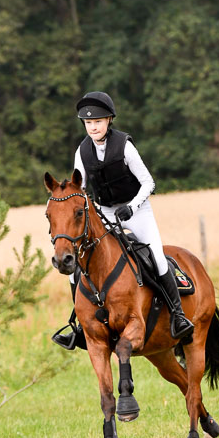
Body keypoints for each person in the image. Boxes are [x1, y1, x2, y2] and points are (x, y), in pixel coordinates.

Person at [53, 91, 194, 349]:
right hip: (105, 211)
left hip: (136, 210)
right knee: (79, 267)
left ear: (109, 121)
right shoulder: (82, 151)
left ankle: (178, 315)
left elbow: (148, 182)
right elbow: (79, 188)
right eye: (88, 123)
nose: (93, 127)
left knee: (158, 258)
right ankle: (79, 328)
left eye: (98, 122)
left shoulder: (124, 146)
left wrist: (131, 207)